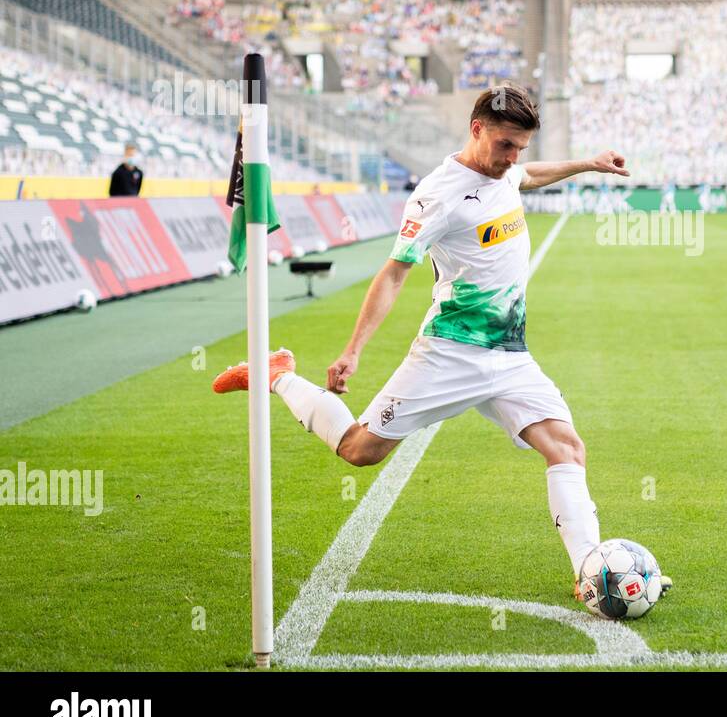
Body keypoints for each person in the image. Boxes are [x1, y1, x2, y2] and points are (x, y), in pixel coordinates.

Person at [213, 85, 669, 599]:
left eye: (521, 146)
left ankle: (590, 571)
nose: (513, 158)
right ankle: (278, 373)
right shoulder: (439, 195)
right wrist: (353, 350)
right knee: (360, 451)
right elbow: (393, 274)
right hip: (449, 352)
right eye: (505, 145)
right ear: (477, 130)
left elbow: (528, 176)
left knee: (566, 447)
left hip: (510, 356)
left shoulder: (507, 169)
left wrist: (588, 163)